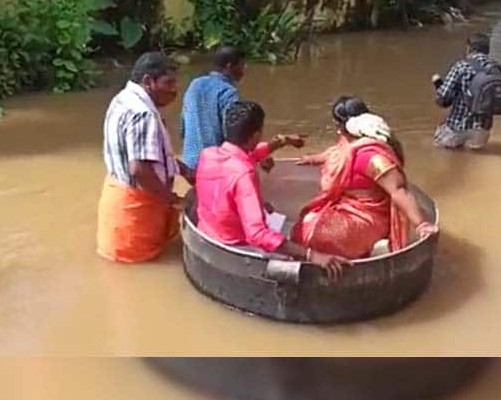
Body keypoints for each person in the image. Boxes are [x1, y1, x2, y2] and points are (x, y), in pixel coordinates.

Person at [196, 100, 349, 281]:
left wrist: (281, 142)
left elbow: (249, 154)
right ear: (256, 134)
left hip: (207, 235)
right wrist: (312, 255)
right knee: (301, 242)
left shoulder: (208, 155)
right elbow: (257, 234)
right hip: (236, 247)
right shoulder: (244, 173)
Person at [292, 96, 438, 260]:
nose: (337, 130)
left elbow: (398, 191)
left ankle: (358, 253)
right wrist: (312, 159)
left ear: (346, 126)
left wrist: (421, 224)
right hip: (348, 206)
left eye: (337, 125)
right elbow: (334, 153)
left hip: (369, 215)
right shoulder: (350, 143)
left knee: (314, 236)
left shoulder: (372, 157)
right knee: (304, 225)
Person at [96, 52, 183, 263]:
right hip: (137, 210)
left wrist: (183, 169)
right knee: (148, 268)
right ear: (148, 81)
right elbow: (140, 170)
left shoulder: (122, 100)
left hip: (116, 200)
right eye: (168, 83)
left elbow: (147, 155)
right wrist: (171, 199)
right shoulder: (144, 113)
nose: (174, 91)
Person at [180, 46, 273, 179]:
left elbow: (184, 124)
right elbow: (234, 133)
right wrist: (256, 157)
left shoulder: (195, 84)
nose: (244, 69)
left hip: (189, 163)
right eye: (242, 65)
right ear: (229, 66)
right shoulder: (228, 92)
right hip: (214, 164)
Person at [432, 33, 501, 150]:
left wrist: (437, 83)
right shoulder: (498, 69)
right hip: (482, 132)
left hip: (457, 129)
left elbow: (442, 98)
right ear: (487, 50)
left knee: (438, 149)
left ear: (469, 48)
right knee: (474, 158)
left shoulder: (461, 66)